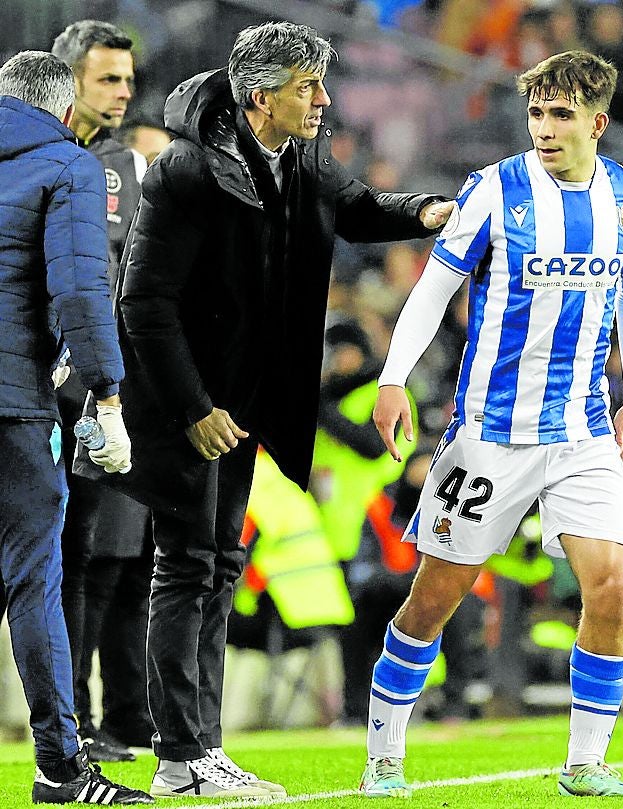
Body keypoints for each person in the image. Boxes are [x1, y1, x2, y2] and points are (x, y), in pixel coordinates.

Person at [74, 21, 454, 799]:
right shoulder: (185, 169)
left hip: (242, 404)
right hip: (184, 407)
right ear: (261, 96)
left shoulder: (299, 157)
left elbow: (355, 206)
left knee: (215, 566)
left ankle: (194, 751)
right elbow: (141, 302)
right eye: (306, 87)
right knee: (186, 568)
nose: (322, 100)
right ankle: (183, 753)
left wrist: (423, 212)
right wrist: (192, 406)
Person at [361, 50, 623, 799]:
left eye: (560, 114)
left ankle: (585, 763)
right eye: (535, 113)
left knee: (611, 586)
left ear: (597, 121)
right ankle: (384, 758)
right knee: (434, 596)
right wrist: (392, 377)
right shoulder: (493, 190)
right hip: (489, 432)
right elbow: (433, 290)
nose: (545, 128)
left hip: (582, 430)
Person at [0, 50, 152, 805]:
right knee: (35, 582)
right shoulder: (69, 163)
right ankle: (60, 767)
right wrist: (108, 395)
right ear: (64, 110)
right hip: (14, 404)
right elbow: (82, 290)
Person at [51, 20, 153, 761]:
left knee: (83, 555)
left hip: (90, 390)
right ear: (68, 78)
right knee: (44, 557)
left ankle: (79, 725)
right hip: (26, 379)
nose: (122, 92)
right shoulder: (29, 153)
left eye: (126, 78)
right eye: (106, 79)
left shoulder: (125, 167)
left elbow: (131, 283)